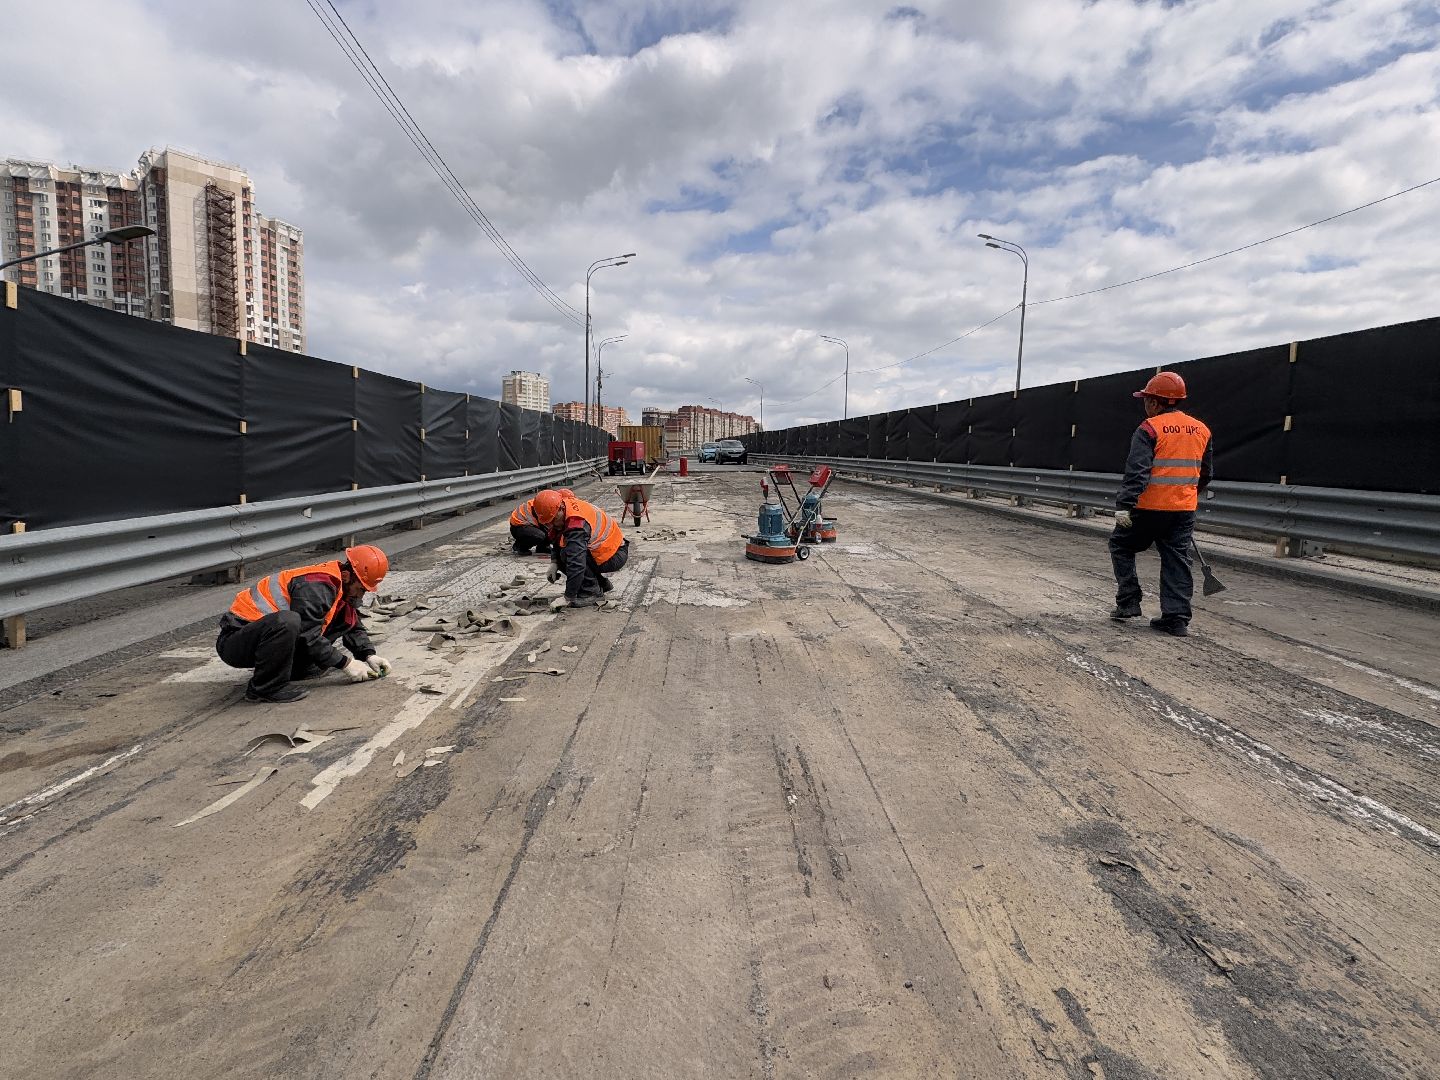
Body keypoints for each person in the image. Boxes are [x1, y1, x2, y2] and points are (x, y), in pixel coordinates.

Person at [216, 543, 394, 703]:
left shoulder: (339, 587)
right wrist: (345, 663)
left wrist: (368, 654)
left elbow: (351, 623)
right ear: (347, 576)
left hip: (263, 639)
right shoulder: (317, 586)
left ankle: (294, 669)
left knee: (341, 612)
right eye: (361, 589)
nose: (361, 595)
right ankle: (263, 688)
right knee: (289, 621)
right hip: (235, 643)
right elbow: (307, 634)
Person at [1109, 371, 1214, 637]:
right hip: (1182, 510)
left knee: (1121, 545)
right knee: (1177, 559)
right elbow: (1206, 473)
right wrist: (1186, 493)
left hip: (1148, 508)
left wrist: (1124, 505)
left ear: (1155, 402)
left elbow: (1137, 472)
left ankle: (1129, 602)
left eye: (1146, 400)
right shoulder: (1201, 429)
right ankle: (1176, 619)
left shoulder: (1149, 428)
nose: (1144, 405)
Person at [532, 489, 629, 607]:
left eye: (553, 520)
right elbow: (557, 538)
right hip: (609, 550)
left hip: (613, 554)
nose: (552, 525)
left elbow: (576, 563)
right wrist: (554, 562)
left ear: (561, 509)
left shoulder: (576, 524)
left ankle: (591, 592)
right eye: (548, 522)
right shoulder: (563, 505)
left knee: (569, 555)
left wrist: (568, 597)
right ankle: (600, 584)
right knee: (564, 553)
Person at [509, 488, 574, 554]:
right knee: (542, 534)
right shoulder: (547, 506)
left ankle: (542, 548)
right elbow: (549, 527)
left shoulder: (551, 502)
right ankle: (520, 546)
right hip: (519, 526)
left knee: (549, 530)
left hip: (529, 524)